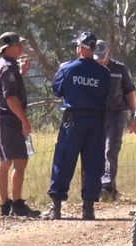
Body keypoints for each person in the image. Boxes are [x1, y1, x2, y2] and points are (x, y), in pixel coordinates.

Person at [44, 32, 111, 220]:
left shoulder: (68, 69)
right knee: (93, 163)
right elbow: (107, 95)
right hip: (96, 122)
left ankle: (56, 208)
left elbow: (57, 90)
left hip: (73, 121)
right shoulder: (104, 73)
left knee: (64, 160)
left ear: (81, 47)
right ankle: (88, 209)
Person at [0, 32, 41, 217]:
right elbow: (10, 98)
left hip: (0, 119)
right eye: (18, 45)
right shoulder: (8, 68)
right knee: (20, 160)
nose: (21, 48)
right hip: (9, 119)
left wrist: (21, 73)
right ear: (8, 47)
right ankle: (17, 204)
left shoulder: (0, 66)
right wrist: (24, 120)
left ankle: (5, 205)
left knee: (5, 161)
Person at [93, 40, 136, 202]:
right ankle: (95, 188)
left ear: (108, 52)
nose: (100, 60)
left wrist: (135, 115)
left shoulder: (120, 69)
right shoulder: (90, 68)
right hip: (96, 115)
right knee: (95, 151)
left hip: (116, 115)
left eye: (102, 57)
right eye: (96, 57)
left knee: (110, 149)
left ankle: (107, 186)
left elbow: (130, 93)